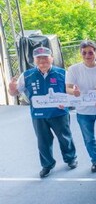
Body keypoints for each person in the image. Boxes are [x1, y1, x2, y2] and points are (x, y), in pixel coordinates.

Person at [9, 47, 78, 178]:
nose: (42, 60)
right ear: (34, 60)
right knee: (43, 141)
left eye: (45, 57)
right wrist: (11, 89)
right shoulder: (27, 75)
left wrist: (70, 101)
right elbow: (15, 92)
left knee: (65, 137)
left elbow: (71, 93)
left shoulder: (63, 73)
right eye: (39, 58)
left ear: (51, 58)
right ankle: (47, 165)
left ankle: (71, 158)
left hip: (59, 113)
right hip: (38, 115)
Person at [66, 40, 96, 173]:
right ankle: (95, 160)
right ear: (80, 53)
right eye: (84, 53)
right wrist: (74, 92)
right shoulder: (73, 69)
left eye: (90, 52)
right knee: (89, 139)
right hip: (83, 111)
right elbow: (68, 88)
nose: (87, 55)